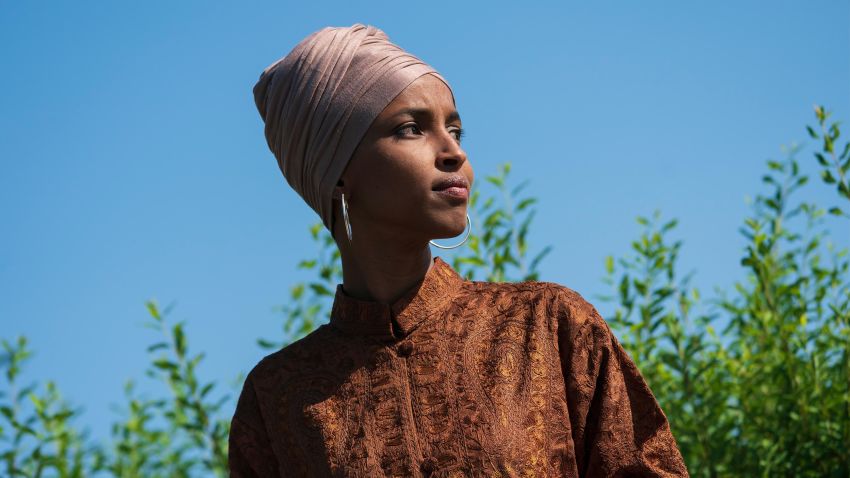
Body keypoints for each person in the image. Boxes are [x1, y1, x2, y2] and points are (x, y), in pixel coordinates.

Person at [229, 23, 689, 477]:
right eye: (411, 128)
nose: (453, 152)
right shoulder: (278, 399)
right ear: (336, 168)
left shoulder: (548, 325)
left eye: (456, 130)